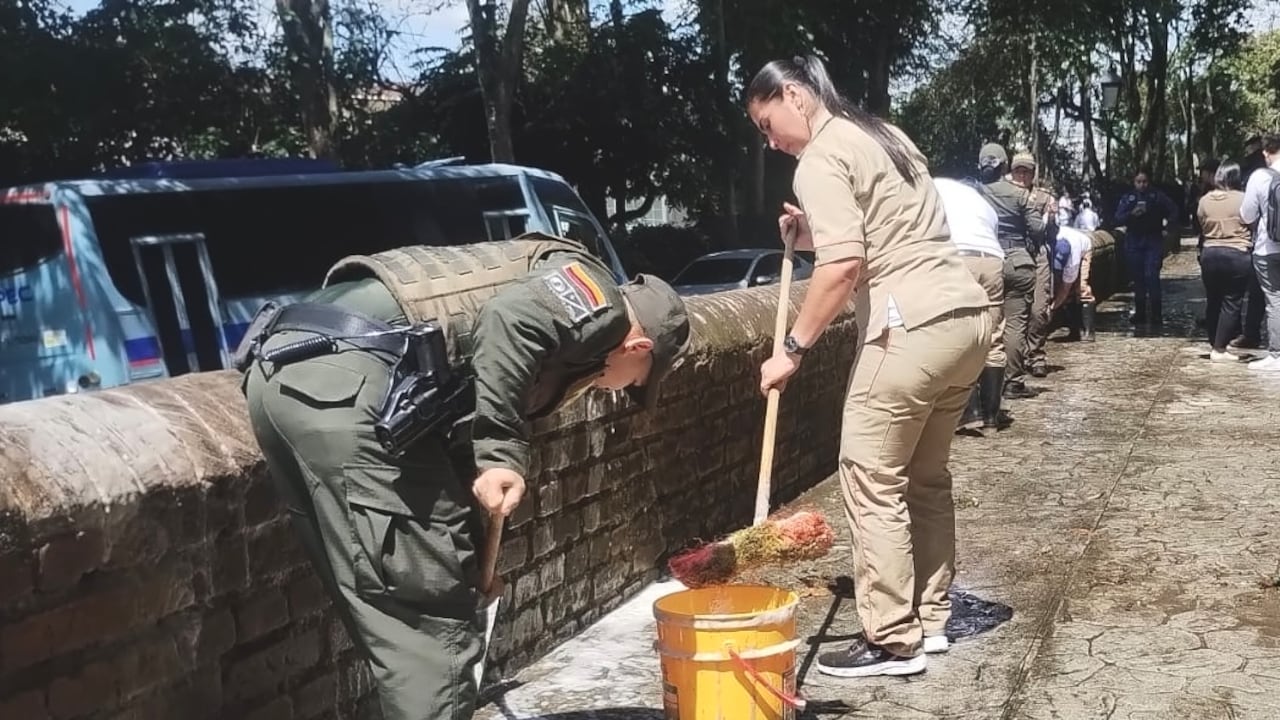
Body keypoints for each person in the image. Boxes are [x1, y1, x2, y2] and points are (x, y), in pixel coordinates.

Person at [236, 233, 691, 720]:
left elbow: (448, 446)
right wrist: (501, 452)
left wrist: (470, 561)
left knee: (393, 619)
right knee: (433, 628)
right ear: (639, 346)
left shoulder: (559, 309)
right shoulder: (602, 303)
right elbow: (508, 320)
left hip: (283, 375)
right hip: (350, 386)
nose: (615, 389)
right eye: (636, 382)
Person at [746, 54, 991, 679]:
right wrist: (805, 234)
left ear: (795, 96)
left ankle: (890, 639)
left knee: (869, 476)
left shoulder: (821, 158)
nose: (771, 142)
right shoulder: (883, 134)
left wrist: (791, 350)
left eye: (768, 123)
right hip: (964, 315)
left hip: (907, 324)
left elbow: (844, 266)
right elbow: (887, 225)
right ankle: (932, 620)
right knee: (926, 476)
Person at [933, 177, 1007, 434]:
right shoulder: (983, 203)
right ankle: (990, 417)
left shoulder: (931, 186)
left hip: (959, 256)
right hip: (993, 259)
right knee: (992, 335)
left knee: (957, 330)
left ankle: (969, 410)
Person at [976, 145, 1047, 399]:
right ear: (1005, 166)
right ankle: (1013, 382)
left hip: (986, 259)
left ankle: (979, 383)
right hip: (1018, 261)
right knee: (1015, 325)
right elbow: (1038, 229)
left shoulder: (976, 192)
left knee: (985, 322)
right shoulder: (1019, 195)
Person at [1196, 161, 1254, 360]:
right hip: (1237, 253)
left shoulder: (1204, 200)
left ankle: (1214, 343)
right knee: (1231, 302)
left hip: (1210, 253)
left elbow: (1201, 222)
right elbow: (1252, 221)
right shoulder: (1243, 199)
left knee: (1213, 300)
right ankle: (1220, 348)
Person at [1011, 153, 1057, 379]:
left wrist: (1052, 218)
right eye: (1018, 170)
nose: (1022, 175)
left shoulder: (1043, 198)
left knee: (1039, 310)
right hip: (1013, 253)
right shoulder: (1005, 195)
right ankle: (1015, 360)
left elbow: (1052, 235)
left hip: (1037, 254)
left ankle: (1036, 353)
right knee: (1013, 311)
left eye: (1026, 171)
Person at [1116, 168, 1179, 326]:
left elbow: (1174, 210)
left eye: (1144, 182)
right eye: (1139, 182)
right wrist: (1132, 214)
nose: (1142, 185)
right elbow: (1118, 217)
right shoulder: (1128, 198)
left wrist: (1167, 228)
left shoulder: (1157, 196)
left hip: (1153, 240)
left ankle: (1156, 314)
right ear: (1134, 183)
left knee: (1152, 277)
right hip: (1134, 240)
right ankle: (1140, 312)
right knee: (1138, 279)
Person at [1239, 133, 1280, 372]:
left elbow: (1247, 215)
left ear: (1265, 153)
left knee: (1274, 300)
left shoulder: (1259, 177)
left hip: (1268, 248)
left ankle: (1276, 354)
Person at [1048, 225, 1097, 342]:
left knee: (1081, 287)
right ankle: (1074, 330)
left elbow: (1065, 288)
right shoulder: (1051, 243)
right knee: (1065, 292)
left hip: (1084, 248)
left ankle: (1088, 331)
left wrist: (1052, 308)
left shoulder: (1073, 257)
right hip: (1066, 245)